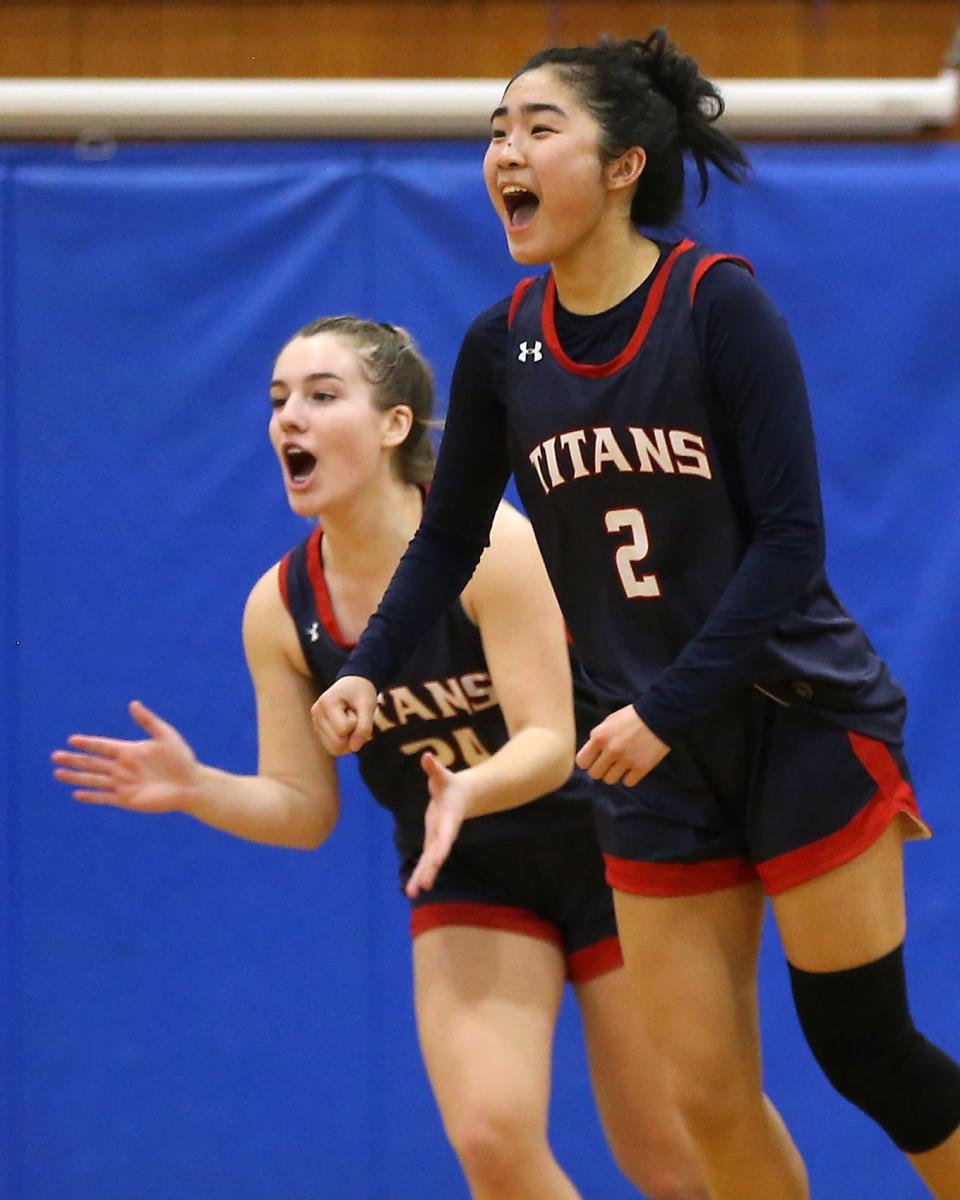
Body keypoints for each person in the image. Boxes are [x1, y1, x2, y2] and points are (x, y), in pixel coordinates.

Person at [311, 30, 960, 1200]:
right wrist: (371, 662)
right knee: (702, 1094)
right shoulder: (501, 343)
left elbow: (792, 544)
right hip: (648, 757)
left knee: (867, 1052)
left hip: (794, 717)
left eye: (537, 126)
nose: (504, 151)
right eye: (495, 133)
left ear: (623, 165)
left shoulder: (716, 303)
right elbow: (447, 537)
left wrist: (667, 703)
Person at [51, 316, 707, 1200]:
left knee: (669, 1161)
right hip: (469, 872)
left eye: (323, 397)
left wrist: (466, 786)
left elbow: (552, 747)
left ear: (396, 425)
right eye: (279, 400)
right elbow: (303, 807)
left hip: (609, 843)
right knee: (489, 1139)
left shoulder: (490, 543)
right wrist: (200, 788)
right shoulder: (281, 608)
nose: (291, 419)